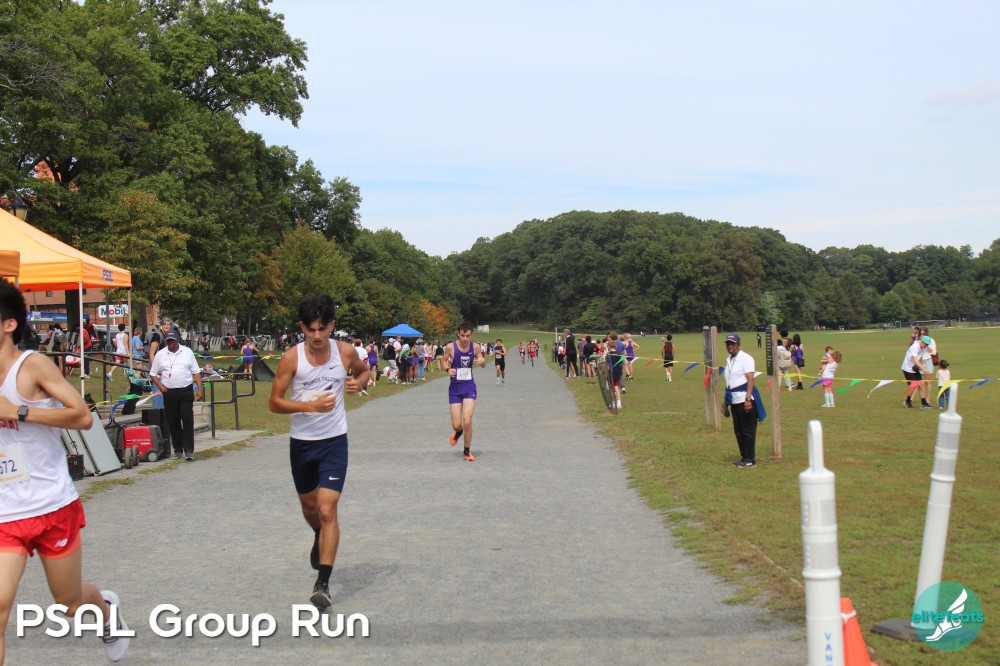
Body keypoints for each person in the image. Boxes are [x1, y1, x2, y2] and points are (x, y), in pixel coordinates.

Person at [0, 280, 129, 663]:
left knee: (69, 602)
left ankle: (104, 609)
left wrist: (18, 411)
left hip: (51, 504)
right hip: (6, 512)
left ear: (8, 324)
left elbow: (82, 416)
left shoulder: (32, 366)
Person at [267, 295, 370, 609]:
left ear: (332, 326)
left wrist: (358, 384)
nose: (316, 335)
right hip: (302, 444)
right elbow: (274, 403)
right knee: (311, 509)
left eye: (322, 328)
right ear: (302, 327)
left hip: (334, 442)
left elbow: (364, 372)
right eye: (310, 329)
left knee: (327, 509)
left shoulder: (345, 352)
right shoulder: (291, 358)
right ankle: (318, 534)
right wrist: (309, 406)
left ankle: (322, 583)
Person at [148, 330, 204, 460]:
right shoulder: (161, 354)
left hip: (185, 390)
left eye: (173, 340)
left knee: (187, 418)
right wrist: (160, 386)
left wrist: (200, 389)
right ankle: (178, 449)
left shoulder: (187, 352)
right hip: (169, 391)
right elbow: (153, 373)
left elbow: (196, 371)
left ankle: (189, 450)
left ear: (178, 340)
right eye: (168, 341)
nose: (171, 343)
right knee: (173, 421)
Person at [443, 322, 486, 461]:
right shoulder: (451, 347)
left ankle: (467, 451)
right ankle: (458, 432)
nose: (465, 339)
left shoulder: (475, 347)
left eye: (468, 336)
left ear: (471, 334)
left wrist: (482, 361)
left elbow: (483, 362)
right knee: (457, 425)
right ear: (458, 334)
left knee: (467, 421)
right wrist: (447, 369)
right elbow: (443, 360)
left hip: (469, 387)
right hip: (455, 389)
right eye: (462, 335)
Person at [722, 334, 759, 468]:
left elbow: (750, 379)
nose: (730, 346)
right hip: (734, 400)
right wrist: (726, 402)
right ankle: (744, 456)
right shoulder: (729, 359)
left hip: (744, 400)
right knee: (738, 430)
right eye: (728, 344)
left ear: (739, 345)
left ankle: (750, 458)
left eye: (733, 344)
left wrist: (748, 399)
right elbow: (730, 382)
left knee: (748, 430)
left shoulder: (746, 358)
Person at [900, 335, 929, 409]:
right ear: (922, 342)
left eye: (927, 345)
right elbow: (915, 360)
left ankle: (924, 403)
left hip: (914, 368)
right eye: (926, 344)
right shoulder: (915, 347)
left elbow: (920, 357)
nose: (926, 346)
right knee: (914, 385)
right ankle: (907, 401)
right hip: (907, 368)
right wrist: (924, 369)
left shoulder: (924, 347)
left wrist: (922, 365)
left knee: (921, 384)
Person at [607, 331, 625, 410]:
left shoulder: (608, 355)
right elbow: (621, 363)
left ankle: (613, 403)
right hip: (617, 373)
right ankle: (619, 402)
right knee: (617, 387)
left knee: (611, 389)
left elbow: (607, 365)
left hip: (611, 373)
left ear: (608, 346)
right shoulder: (619, 355)